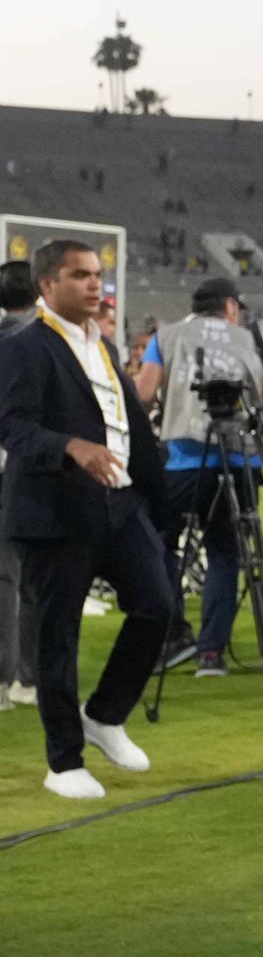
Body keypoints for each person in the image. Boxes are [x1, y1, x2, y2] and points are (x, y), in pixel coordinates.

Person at [0, 241, 172, 799]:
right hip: (56, 508)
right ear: (48, 285)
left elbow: (128, 425)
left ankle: (104, 715)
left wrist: (155, 490)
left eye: (98, 275)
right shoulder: (25, 346)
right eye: (81, 276)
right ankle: (63, 760)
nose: (96, 285)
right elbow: (11, 425)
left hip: (118, 503)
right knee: (58, 636)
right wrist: (71, 446)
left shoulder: (104, 344)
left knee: (158, 605)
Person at [134, 277, 263, 677]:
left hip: (183, 462)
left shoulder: (168, 335)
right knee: (225, 553)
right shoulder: (245, 339)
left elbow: (144, 395)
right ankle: (211, 653)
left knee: (159, 543)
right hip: (237, 461)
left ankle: (173, 631)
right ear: (229, 306)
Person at [0, 260, 42, 710]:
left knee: (3, 576)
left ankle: (1, 683)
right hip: (31, 468)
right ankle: (27, 679)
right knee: (36, 578)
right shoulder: (44, 341)